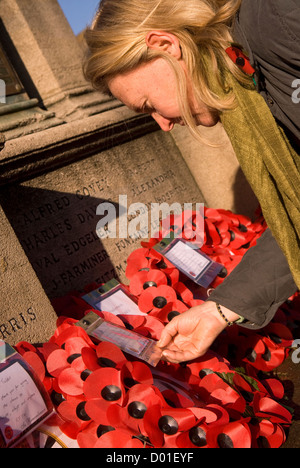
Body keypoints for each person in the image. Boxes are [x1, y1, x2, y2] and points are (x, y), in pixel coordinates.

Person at [84, 0, 300, 363]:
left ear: (166, 45)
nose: (163, 123)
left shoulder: (279, 19)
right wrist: (219, 310)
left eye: (149, 103)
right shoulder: (244, 63)